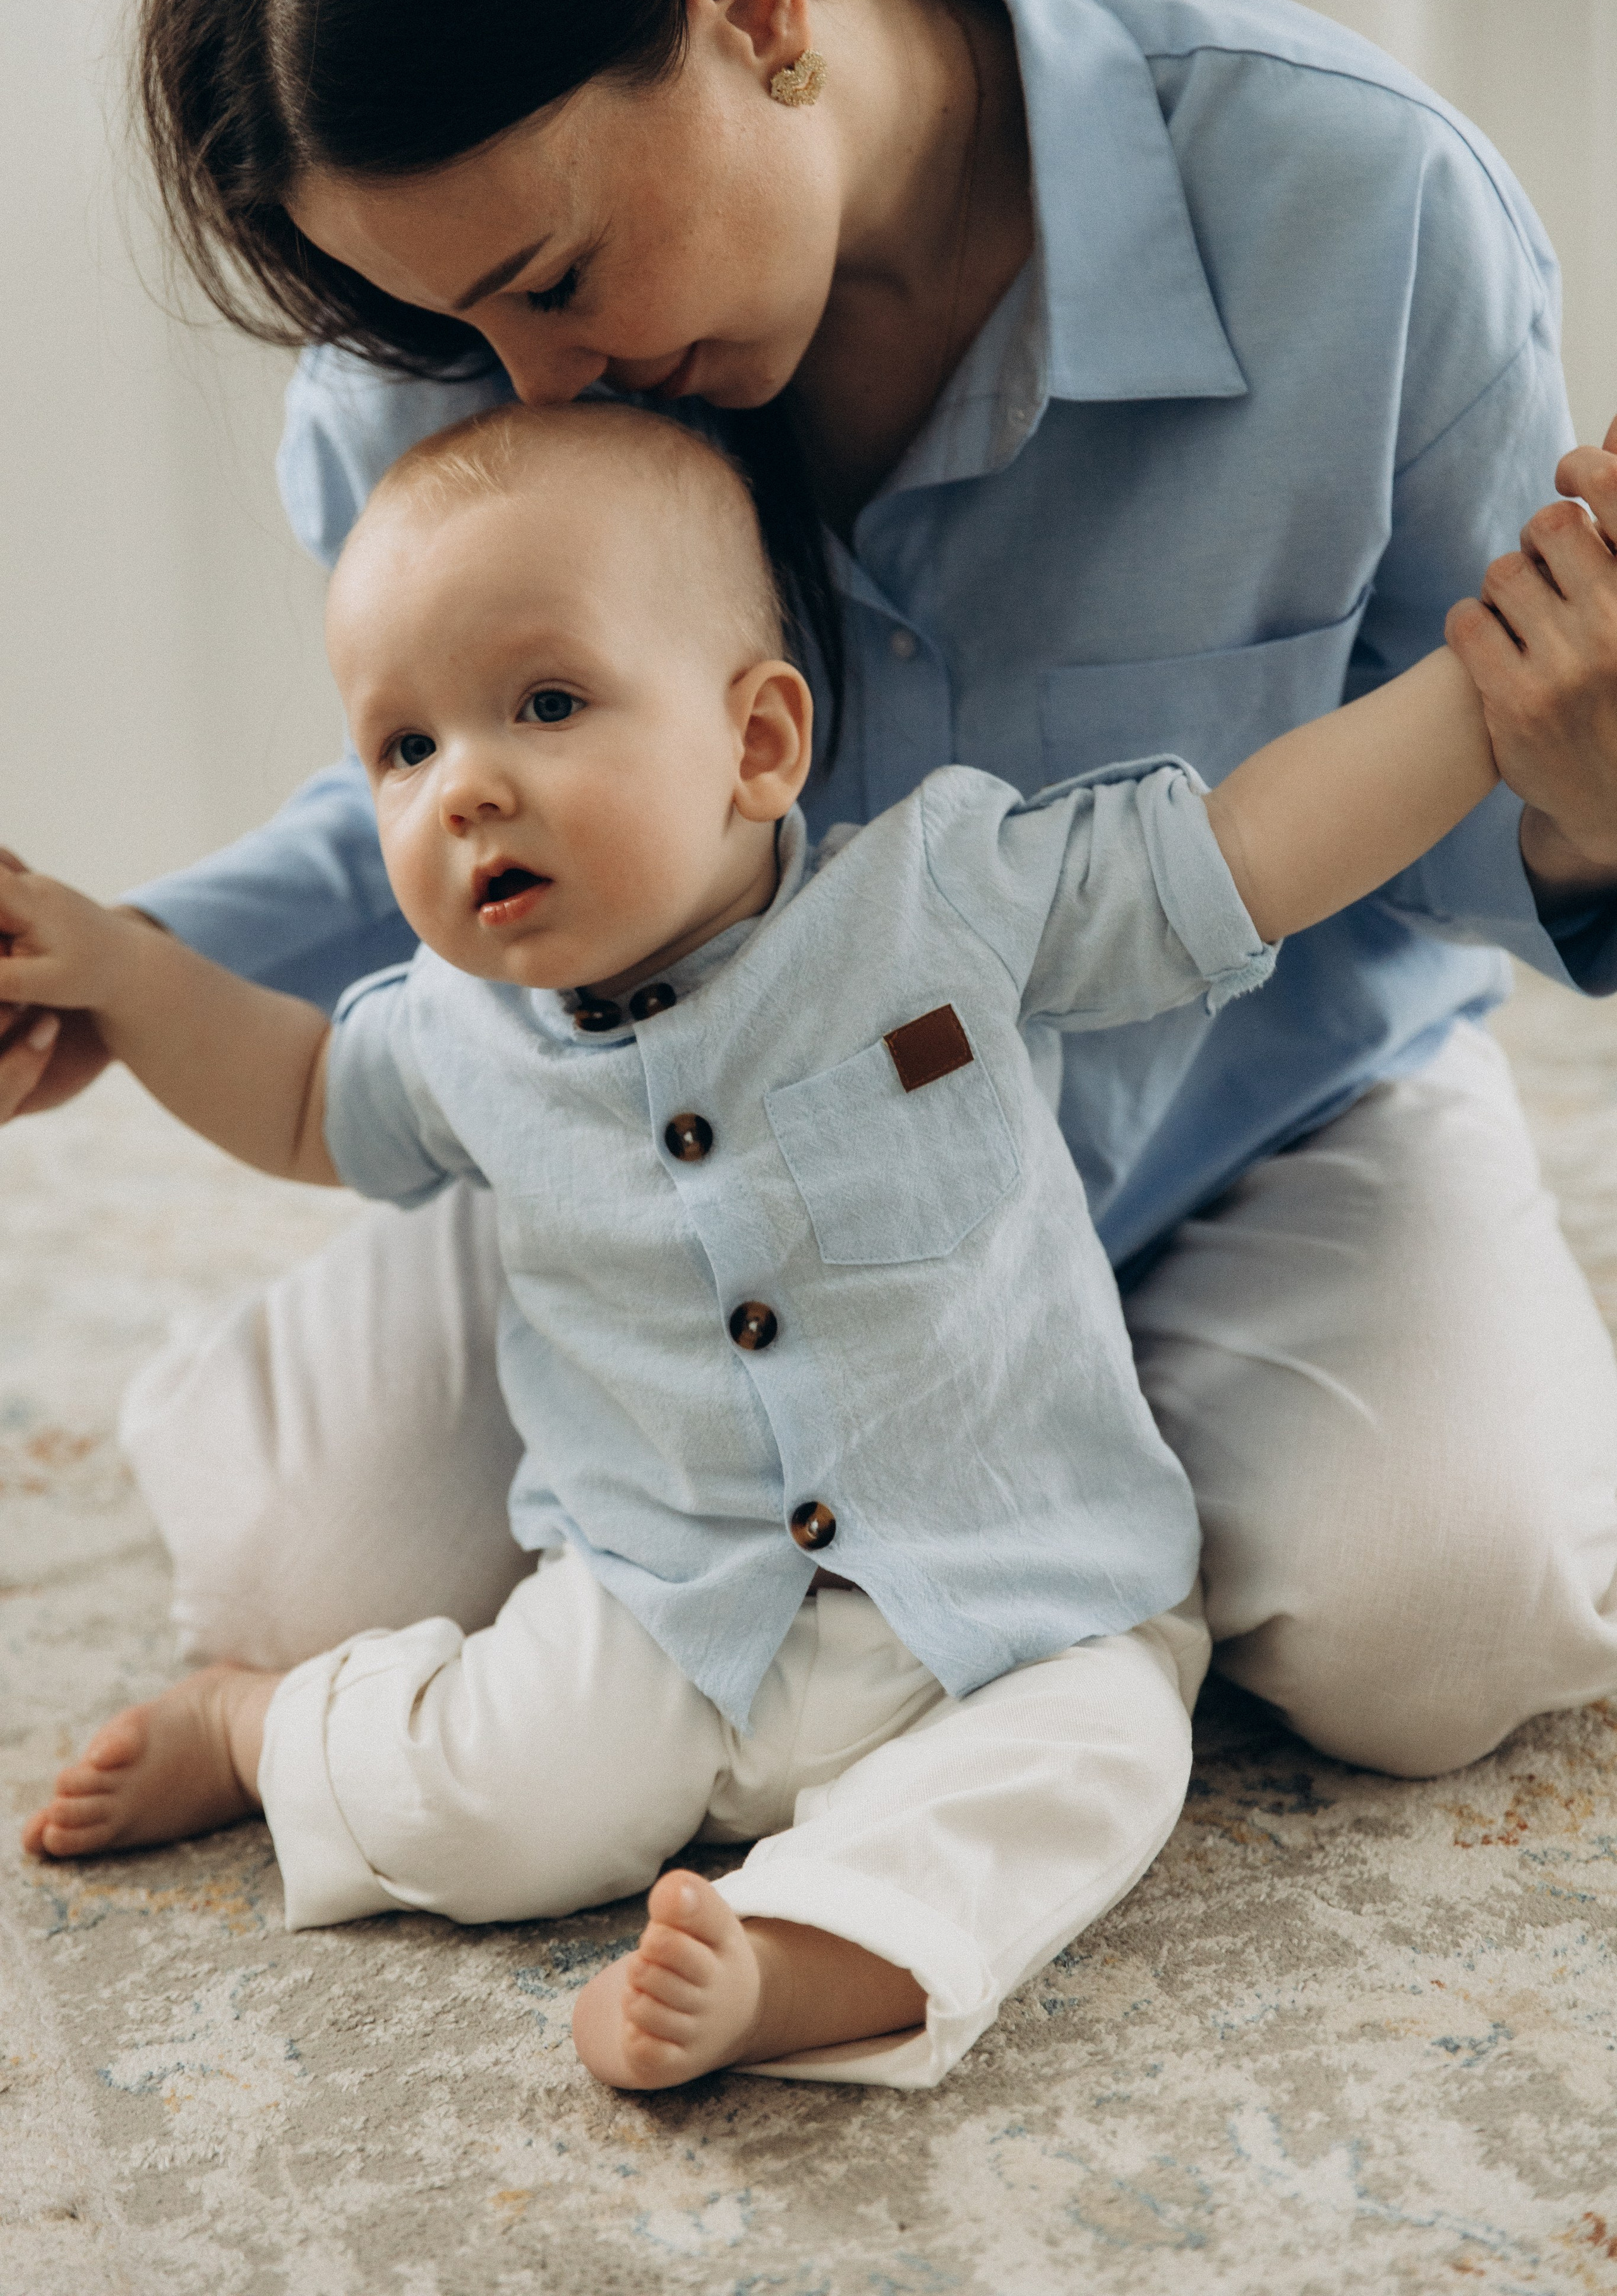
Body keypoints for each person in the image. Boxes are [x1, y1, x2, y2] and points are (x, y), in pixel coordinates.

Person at [7, 0, 1617, 1778]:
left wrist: (1590, 807)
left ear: (754, 15)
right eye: (455, 320)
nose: (531, 384)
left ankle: (1055, 1475)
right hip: (665, 1132)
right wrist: (116, 961)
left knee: (1453, 1622)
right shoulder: (433, 348)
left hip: (1251, 1118)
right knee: (300, 1576)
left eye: (555, 281)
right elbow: (472, 811)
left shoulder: (1355, 200)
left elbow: (1468, 760)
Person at [12, 397, 1534, 2089]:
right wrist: (125, 975)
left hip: (1014, 1583)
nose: (467, 788)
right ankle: (271, 1735)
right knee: (500, 1812)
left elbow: (1244, 854)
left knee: (1102, 1756)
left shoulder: (939, 901)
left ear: (757, 742)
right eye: (405, 748)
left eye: (546, 704)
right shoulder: (458, 1034)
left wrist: (1486, 693)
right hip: (667, 1602)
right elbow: (306, 1098)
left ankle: (807, 1957)